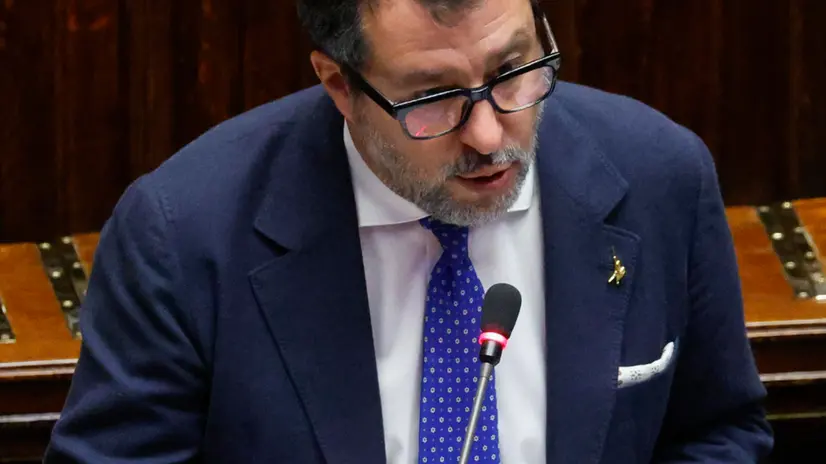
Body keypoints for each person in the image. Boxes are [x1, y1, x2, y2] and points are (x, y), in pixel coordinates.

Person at [44, 0, 774, 462]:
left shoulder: (659, 178)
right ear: (339, 85)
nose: (489, 135)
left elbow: (719, 433)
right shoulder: (183, 236)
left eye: (513, 70)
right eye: (434, 96)